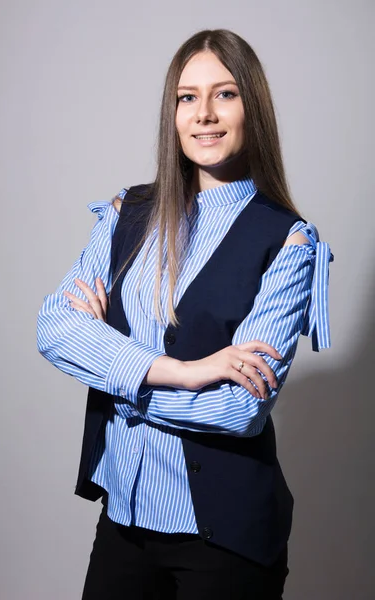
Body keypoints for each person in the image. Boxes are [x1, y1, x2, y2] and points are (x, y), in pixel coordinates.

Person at [37, 28, 333, 600]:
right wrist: (186, 371)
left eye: (225, 94)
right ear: (172, 114)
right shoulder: (128, 213)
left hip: (224, 544)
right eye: (187, 97)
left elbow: (239, 407)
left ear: (253, 109)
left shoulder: (289, 242)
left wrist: (107, 357)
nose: (205, 115)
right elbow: (54, 328)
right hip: (122, 522)